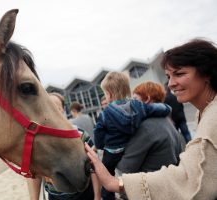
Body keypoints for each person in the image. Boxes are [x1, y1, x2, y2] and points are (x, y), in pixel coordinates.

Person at [85, 39, 217, 200]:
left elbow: (193, 181)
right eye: (168, 76)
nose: (171, 84)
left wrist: (115, 183)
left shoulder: (212, 118)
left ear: (207, 73)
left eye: (179, 73)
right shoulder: (173, 117)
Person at [94, 72, 171, 200]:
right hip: (130, 146)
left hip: (112, 151)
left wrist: (101, 145)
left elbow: (98, 134)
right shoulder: (138, 106)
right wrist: (167, 108)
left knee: (107, 173)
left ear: (108, 94)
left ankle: (108, 197)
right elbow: (157, 109)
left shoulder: (105, 114)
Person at [27, 92, 101, 200]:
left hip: (84, 195)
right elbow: (34, 174)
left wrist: (97, 196)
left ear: (62, 110)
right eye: (47, 106)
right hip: (55, 197)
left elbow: (94, 166)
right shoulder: (37, 142)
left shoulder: (80, 135)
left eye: (55, 107)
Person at [118, 81, 183, 174]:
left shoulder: (146, 127)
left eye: (135, 98)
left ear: (147, 98)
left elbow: (125, 168)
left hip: (149, 185)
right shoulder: (167, 121)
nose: (131, 103)